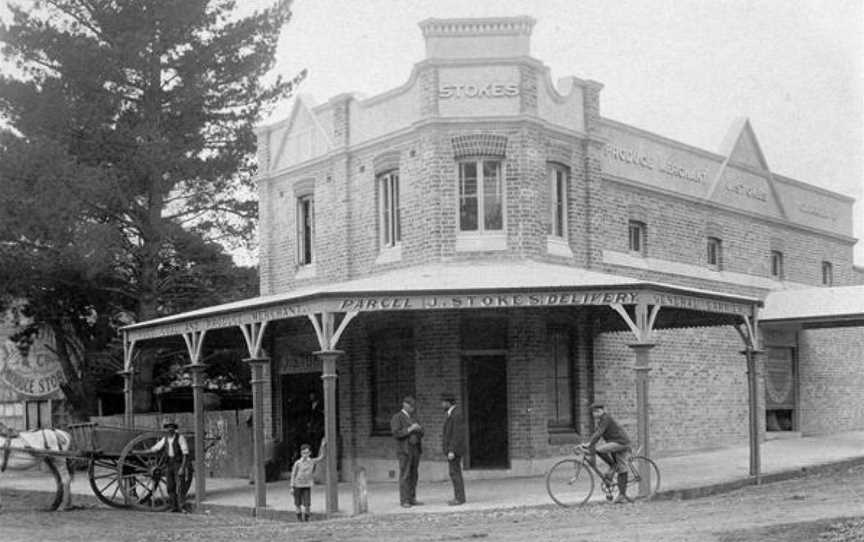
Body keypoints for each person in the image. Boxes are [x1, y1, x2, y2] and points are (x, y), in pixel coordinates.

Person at [586, 403, 633, 504]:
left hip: (621, 442)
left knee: (601, 451)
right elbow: (596, 434)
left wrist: (590, 443)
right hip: (614, 442)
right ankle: (614, 467)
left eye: (597, 411)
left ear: (602, 411)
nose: (594, 414)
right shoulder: (600, 421)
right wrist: (587, 443)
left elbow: (599, 433)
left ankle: (622, 495)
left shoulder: (606, 418)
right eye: (593, 412)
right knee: (619, 467)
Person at [147, 420, 190, 512]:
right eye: (168, 428)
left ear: (174, 429)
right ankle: (173, 507)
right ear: (166, 429)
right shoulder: (165, 439)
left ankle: (182, 507)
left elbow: (185, 454)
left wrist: (182, 468)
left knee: (180, 486)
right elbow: (156, 447)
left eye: (172, 428)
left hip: (178, 463)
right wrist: (145, 451)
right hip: (169, 464)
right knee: (170, 487)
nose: (170, 430)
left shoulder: (180, 438)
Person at [390, 395, 424, 508]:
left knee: (414, 474)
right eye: (411, 406)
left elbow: (422, 431)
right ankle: (404, 500)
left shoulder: (414, 417)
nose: (413, 409)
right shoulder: (397, 417)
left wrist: (419, 429)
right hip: (404, 450)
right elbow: (396, 433)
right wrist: (410, 429)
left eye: (414, 406)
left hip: (415, 449)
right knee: (405, 474)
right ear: (405, 405)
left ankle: (412, 497)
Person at [289, 439, 326, 521]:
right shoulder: (297, 463)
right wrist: (291, 487)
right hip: (297, 485)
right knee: (297, 503)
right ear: (301, 453)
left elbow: (321, 457)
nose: (305, 455)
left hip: (306, 485)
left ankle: (306, 518)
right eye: (303, 453)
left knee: (307, 503)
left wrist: (323, 446)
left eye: (307, 453)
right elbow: (293, 475)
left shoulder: (312, 461)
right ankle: (299, 518)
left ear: (310, 453)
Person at [440, 392, 466, 506]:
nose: (442, 404)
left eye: (443, 402)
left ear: (448, 403)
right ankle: (458, 496)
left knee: (455, 473)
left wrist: (451, 450)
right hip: (452, 449)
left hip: (454, 450)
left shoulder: (456, 414)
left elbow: (456, 434)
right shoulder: (452, 414)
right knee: (454, 472)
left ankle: (459, 498)